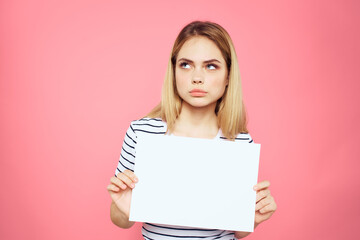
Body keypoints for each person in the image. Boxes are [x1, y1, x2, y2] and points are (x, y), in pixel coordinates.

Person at [107, 20, 277, 240]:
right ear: (174, 71)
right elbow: (120, 219)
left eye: (211, 66)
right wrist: (125, 207)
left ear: (228, 77)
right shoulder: (143, 132)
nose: (197, 77)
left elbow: (238, 230)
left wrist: (252, 217)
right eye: (186, 65)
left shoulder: (240, 143)